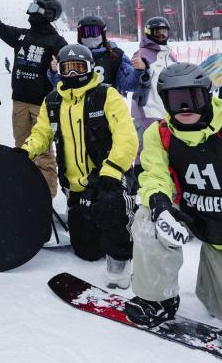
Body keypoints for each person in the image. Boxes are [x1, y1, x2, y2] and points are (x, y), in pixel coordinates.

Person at [125, 63, 222, 346]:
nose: (185, 108)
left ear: (207, 96)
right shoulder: (159, 134)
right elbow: (154, 174)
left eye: (193, 98)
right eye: (176, 100)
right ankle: (157, 299)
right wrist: (160, 202)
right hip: (187, 215)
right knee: (148, 216)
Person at [21, 44, 138, 288]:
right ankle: (95, 223)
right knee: (87, 251)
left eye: (78, 68)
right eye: (68, 69)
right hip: (76, 186)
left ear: (90, 68)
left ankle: (121, 257)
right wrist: (25, 151)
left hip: (107, 176)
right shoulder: (53, 101)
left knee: (111, 205)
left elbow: (126, 136)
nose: (73, 74)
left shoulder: (106, 95)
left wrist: (113, 168)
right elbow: (41, 133)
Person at [0, 0, 66, 196]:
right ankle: (26, 193)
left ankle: (47, 196)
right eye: (31, 7)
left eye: (36, 8)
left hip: (43, 105)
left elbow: (67, 73)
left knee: (43, 152)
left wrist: (56, 72)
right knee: (22, 150)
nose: (31, 12)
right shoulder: (22, 36)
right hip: (20, 102)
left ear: (48, 14)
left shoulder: (56, 42)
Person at [128, 16, 179, 191]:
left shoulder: (170, 55)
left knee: (166, 149)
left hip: (168, 112)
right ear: (149, 33)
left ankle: (165, 184)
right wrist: (142, 70)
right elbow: (134, 79)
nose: (162, 35)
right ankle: (137, 187)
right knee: (145, 150)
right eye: (158, 32)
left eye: (164, 32)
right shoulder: (142, 54)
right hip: (147, 110)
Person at [75, 15, 140, 93]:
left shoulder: (116, 55)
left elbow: (130, 85)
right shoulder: (74, 56)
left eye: (94, 33)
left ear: (103, 34)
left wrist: (139, 71)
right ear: (79, 36)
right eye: (86, 33)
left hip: (110, 99)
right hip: (81, 100)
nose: (90, 37)